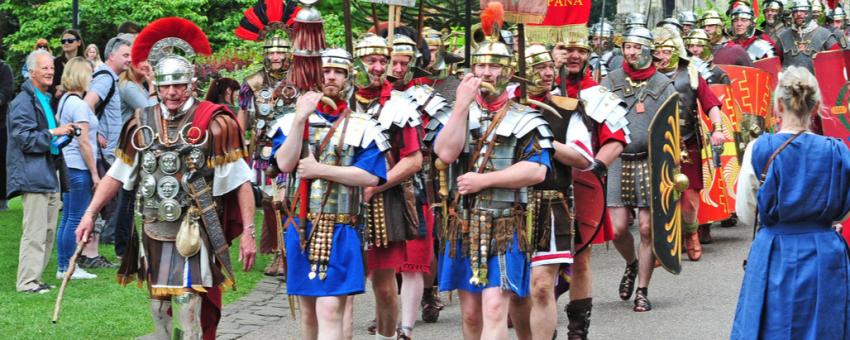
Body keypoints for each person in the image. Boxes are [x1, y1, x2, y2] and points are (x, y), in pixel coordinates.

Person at [75, 17, 257, 339]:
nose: (172, 93)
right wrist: (89, 215)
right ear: (156, 85)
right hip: (153, 228)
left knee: (189, 307)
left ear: (191, 84)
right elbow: (117, 175)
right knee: (158, 308)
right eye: (166, 86)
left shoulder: (214, 122)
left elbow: (240, 180)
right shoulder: (140, 122)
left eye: (179, 85)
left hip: (194, 228)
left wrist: (249, 232)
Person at [433, 4, 553, 338]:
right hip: (462, 225)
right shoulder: (456, 111)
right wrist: (460, 106)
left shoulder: (525, 118)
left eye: (494, 66)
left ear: (508, 71)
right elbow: (444, 153)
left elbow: (536, 171)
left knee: (495, 307)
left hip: (505, 222)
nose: (487, 72)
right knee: (471, 316)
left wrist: (485, 179)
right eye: (481, 65)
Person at [270, 47, 388, 340]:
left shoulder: (363, 126)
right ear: (314, 75)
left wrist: (320, 170)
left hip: (341, 227)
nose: (331, 77)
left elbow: (371, 175)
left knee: (330, 308)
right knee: (308, 312)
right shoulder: (291, 121)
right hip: (301, 227)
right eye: (325, 71)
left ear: (348, 78)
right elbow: (284, 163)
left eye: (338, 72)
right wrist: (299, 118)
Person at [731, 66, 850, 340]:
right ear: (817, 106)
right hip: (824, 251)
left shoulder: (759, 148)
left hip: (774, 250)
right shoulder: (837, 151)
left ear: (778, 106)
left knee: (771, 327)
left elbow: (747, 214)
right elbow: (844, 210)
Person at [350, 33, 423, 340]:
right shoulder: (341, 101)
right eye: (371, 60)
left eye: (383, 60)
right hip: (339, 202)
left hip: (384, 202)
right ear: (356, 63)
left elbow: (414, 159)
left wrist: (376, 185)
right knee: (344, 285)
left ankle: (387, 336)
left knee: (384, 284)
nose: (379, 67)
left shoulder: (400, 105)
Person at [603, 26, 677, 312]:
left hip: (651, 161)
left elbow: (671, 129)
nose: (631, 52)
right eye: (627, 47)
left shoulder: (663, 84)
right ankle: (631, 263)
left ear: (649, 49)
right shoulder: (611, 81)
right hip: (619, 158)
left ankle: (643, 290)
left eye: (636, 47)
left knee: (647, 229)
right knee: (618, 229)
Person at [234, 0, 298, 277]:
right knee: (271, 203)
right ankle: (277, 253)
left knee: (289, 200)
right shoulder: (253, 83)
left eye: (280, 53)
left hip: (293, 149)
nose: (275, 58)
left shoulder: (299, 79)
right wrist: (236, 145)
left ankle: (292, 251)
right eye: (271, 53)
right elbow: (243, 118)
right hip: (263, 152)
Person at [653, 27, 726, 262]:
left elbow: (711, 103)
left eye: (667, 51)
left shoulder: (691, 73)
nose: (662, 57)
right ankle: (661, 242)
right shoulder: (646, 76)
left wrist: (717, 129)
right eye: (658, 52)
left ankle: (692, 232)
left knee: (689, 198)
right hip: (655, 143)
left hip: (687, 143)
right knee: (657, 197)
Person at [8, 50, 76, 294]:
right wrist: (54, 133)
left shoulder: (44, 98)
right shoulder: (22, 102)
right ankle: (26, 283)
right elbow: (24, 139)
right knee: (34, 231)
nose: (50, 71)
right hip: (33, 174)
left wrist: (62, 135)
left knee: (47, 231)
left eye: (51, 67)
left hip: (50, 171)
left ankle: (35, 279)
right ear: (31, 71)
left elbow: (46, 139)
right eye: (44, 68)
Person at [81, 34, 133, 269]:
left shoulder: (112, 78)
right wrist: (96, 133)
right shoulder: (106, 78)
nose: (129, 59)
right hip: (103, 152)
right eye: (125, 55)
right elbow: (88, 103)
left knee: (105, 203)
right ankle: (90, 254)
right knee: (101, 203)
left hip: (108, 151)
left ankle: (91, 253)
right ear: (111, 55)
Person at [103, 59, 157, 259]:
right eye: (140, 60)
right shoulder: (127, 87)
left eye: (148, 60)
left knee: (130, 196)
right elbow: (150, 113)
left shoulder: (138, 85)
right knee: (127, 196)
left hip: (140, 147)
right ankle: (122, 245)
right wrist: (152, 86)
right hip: (130, 148)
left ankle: (123, 241)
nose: (146, 64)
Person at [55, 57, 99, 280]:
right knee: (75, 218)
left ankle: (64, 266)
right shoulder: (78, 104)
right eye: (89, 73)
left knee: (68, 218)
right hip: (78, 167)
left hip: (67, 165)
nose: (91, 78)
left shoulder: (64, 100)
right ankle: (69, 266)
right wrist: (94, 173)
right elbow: (83, 142)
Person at [775, 0, 846, 72]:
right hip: (790, 82)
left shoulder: (825, 35)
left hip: (816, 82)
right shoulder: (783, 37)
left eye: (803, 10)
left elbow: (838, 61)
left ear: (809, 12)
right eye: (795, 11)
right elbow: (775, 66)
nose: (799, 14)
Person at [52, 29, 84, 98]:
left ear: (78, 42)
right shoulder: (55, 63)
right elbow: (50, 85)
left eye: (70, 41)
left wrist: (64, 87)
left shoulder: (85, 64)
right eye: (63, 41)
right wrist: (55, 91)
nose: (66, 43)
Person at [0, 58, 13, 211]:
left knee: (2, 161)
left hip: (1, 124)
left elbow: (6, 92)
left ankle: (2, 199)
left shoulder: (4, 68)